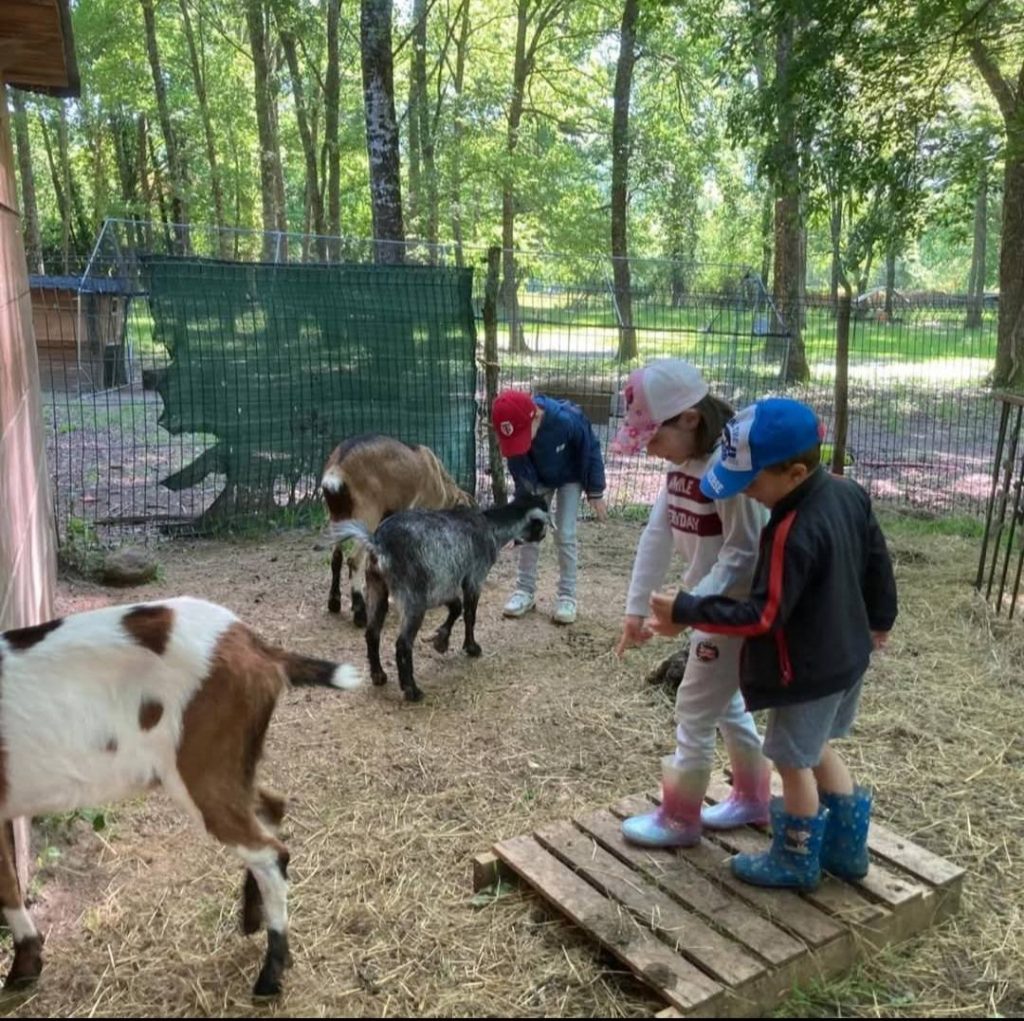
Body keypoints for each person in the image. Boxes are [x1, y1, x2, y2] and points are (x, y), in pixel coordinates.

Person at [647, 397, 898, 890]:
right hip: (847, 658)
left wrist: (688, 609)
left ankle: (795, 857)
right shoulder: (848, 493)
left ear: (795, 472)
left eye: (752, 482)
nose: (748, 494)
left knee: (791, 761)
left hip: (807, 669)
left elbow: (762, 613)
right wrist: (881, 618)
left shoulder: (789, 530)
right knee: (818, 747)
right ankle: (847, 851)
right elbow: (877, 559)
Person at [612, 359, 772, 848]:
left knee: (695, 709)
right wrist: (636, 608)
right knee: (726, 705)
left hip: (730, 610)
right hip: (705, 605)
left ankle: (681, 818)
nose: (651, 450)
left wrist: (690, 605)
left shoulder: (730, 473)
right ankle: (753, 796)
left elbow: (743, 554)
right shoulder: (682, 467)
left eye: (652, 437)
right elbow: (658, 533)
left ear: (689, 418)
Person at [492, 389, 608, 625]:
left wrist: (595, 490)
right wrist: (528, 499)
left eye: (523, 436)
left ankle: (567, 596)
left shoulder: (567, 420)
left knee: (564, 533)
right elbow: (519, 466)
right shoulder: (516, 431)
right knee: (528, 532)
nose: (519, 443)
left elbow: (590, 449)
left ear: (535, 417)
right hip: (537, 481)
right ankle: (524, 590)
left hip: (570, 477)